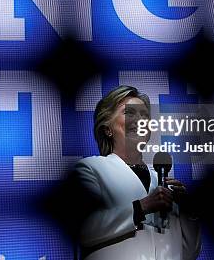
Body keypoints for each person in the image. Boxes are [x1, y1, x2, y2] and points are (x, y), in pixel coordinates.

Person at [75, 85, 201, 260]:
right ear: (107, 128)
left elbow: (188, 253)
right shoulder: (91, 168)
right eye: (129, 113)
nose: (140, 120)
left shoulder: (164, 184)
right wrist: (141, 207)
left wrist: (189, 213)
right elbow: (83, 229)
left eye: (145, 115)